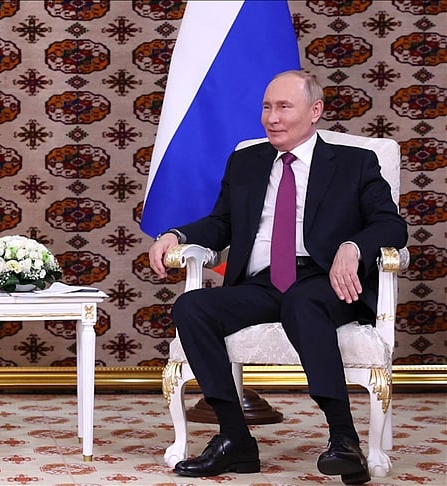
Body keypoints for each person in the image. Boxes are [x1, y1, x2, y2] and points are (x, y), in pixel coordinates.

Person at [149, 70, 407, 485]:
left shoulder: (354, 163)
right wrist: (176, 235)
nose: (272, 117)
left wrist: (353, 246)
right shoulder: (246, 161)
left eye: (284, 107)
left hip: (326, 282)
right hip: (264, 283)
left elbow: (391, 225)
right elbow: (222, 223)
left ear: (315, 111)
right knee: (192, 307)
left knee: (302, 302)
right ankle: (235, 439)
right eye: (267, 107)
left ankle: (344, 439)